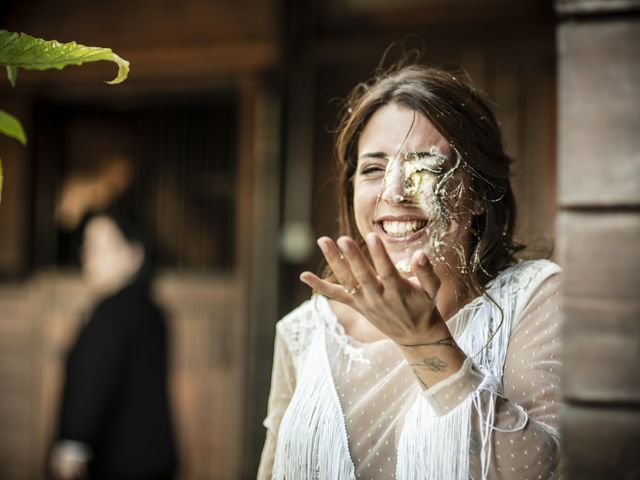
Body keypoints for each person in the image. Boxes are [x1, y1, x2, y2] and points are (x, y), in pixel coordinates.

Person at [258, 64, 561, 479]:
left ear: (478, 195)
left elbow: (543, 471)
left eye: (427, 166)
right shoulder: (305, 331)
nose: (394, 191)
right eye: (373, 169)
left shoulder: (533, 299)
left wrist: (426, 342)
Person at [49, 211, 178, 480]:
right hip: (153, 458)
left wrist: (73, 441)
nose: (87, 254)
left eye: (99, 246)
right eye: (86, 245)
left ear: (133, 255)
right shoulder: (152, 310)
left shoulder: (112, 312)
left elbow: (94, 379)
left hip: (116, 462)